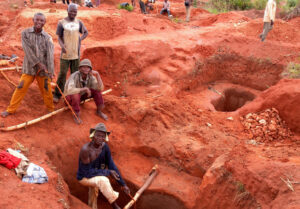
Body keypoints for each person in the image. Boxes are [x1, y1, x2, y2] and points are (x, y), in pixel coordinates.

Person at [1, 13, 54, 118]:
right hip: (29, 68)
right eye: (37, 20)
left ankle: (50, 109)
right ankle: (10, 110)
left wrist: (51, 71)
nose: (39, 22)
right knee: (20, 87)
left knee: (46, 89)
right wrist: (39, 64)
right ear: (33, 20)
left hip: (43, 70)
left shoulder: (48, 38)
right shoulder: (25, 33)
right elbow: (27, 50)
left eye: (41, 21)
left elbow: (50, 56)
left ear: (45, 22)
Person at [77, 123, 130, 209]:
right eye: (98, 135)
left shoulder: (105, 148)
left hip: (96, 175)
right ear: (93, 136)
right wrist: (107, 172)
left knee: (95, 189)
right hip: (84, 177)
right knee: (103, 180)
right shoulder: (86, 150)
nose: (100, 138)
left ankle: (91, 207)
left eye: (102, 136)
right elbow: (86, 173)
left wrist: (123, 184)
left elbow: (112, 167)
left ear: (105, 138)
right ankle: (116, 207)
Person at [53, 3, 88, 103]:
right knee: (62, 74)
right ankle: (57, 93)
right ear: (67, 10)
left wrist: (80, 39)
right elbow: (59, 37)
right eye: (71, 11)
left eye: (75, 11)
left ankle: (73, 94)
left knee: (75, 74)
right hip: (65, 54)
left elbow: (86, 32)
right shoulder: (62, 22)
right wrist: (62, 46)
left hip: (76, 54)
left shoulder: (79, 22)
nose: (73, 13)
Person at [64, 59, 108, 124]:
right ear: (80, 68)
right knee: (75, 95)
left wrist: (97, 75)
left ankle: (99, 111)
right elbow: (70, 90)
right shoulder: (74, 76)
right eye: (84, 67)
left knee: (97, 92)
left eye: (88, 67)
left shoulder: (91, 76)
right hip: (70, 98)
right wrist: (84, 89)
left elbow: (100, 88)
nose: (86, 69)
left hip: (81, 96)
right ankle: (76, 115)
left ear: (90, 69)